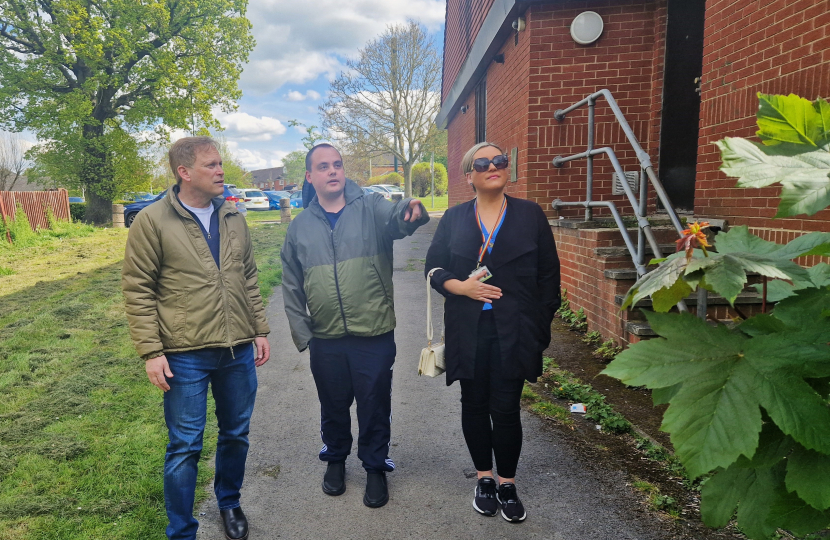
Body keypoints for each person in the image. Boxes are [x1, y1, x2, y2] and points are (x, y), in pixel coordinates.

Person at [122, 136, 271, 540]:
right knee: (185, 445)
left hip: (237, 349)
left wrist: (259, 328)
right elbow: (138, 290)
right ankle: (182, 530)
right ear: (184, 172)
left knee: (236, 433)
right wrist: (151, 352)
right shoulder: (152, 221)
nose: (221, 171)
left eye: (221, 163)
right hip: (184, 354)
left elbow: (249, 278)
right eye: (211, 165)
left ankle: (229, 502)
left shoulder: (233, 217)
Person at [281, 143, 429, 508]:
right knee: (332, 403)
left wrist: (411, 212)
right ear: (310, 176)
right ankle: (335, 459)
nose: (332, 171)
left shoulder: (370, 207)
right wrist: (304, 336)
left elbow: (398, 218)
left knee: (374, 403)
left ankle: (375, 467)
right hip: (325, 337)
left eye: (337, 164)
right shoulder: (299, 227)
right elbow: (291, 284)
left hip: (374, 332)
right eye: (323, 166)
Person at [424, 142, 561, 523]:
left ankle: (507, 483)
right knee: (473, 403)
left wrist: (538, 329)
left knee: (506, 408)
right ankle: (484, 478)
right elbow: (433, 269)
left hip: (515, 330)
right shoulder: (453, 218)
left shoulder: (530, 215)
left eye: (499, 160)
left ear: (507, 169)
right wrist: (461, 287)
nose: (492, 166)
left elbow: (550, 279)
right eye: (481, 163)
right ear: (469, 176)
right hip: (469, 329)